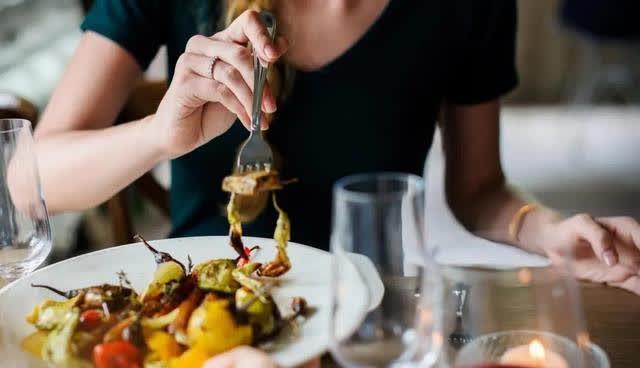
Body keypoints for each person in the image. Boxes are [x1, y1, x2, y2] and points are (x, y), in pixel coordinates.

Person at [27, 0, 640, 363]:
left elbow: (479, 189)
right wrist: (160, 135)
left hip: (372, 334)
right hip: (197, 341)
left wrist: (548, 232)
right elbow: (31, 184)